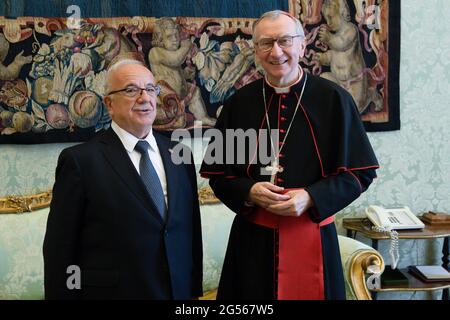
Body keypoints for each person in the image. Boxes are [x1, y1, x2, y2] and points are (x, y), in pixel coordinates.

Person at [200, 10, 379, 300]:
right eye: (266, 43)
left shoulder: (334, 100)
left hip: (314, 239)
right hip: (252, 245)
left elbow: (361, 174)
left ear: (302, 46)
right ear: (255, 51)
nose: (276, 51)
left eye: (285, 41)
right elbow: (220, 177)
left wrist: (311, 196)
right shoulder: (238, 104)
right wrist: (250, 190)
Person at [43, 57, 203, 300]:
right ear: (109, 103)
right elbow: (60, 251)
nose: (144, 98)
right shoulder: (80, 161)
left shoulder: (179, 155)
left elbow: (190, 233)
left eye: (150, 89)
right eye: (131, 90)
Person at [148, 17, 216, 127]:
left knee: (195, 92)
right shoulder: (155, 52)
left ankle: (202, 117)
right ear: (160, 40)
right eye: (170, 37)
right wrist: (186, 45)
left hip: (180, 93)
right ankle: (174, 121)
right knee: (178, 120)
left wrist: (185, 73)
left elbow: (174, 71)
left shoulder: (173, 52)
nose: (175, 39)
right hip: (164, 98)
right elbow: (175, 60)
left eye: (176, 35)